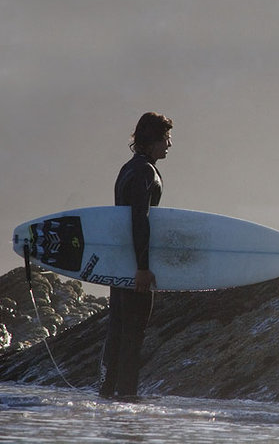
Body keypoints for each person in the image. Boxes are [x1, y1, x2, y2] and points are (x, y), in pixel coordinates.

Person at [99, 112, 173, 398]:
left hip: (120, 266)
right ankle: (126, 400)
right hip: (134, 266)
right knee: (132, 337)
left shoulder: (128, 168)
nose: (169, 145)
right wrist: (143, 267)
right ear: (152, 141)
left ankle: (107, 399)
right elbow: (139, 219)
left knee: (117, 334)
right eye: (165, 139)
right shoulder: (145, 172)